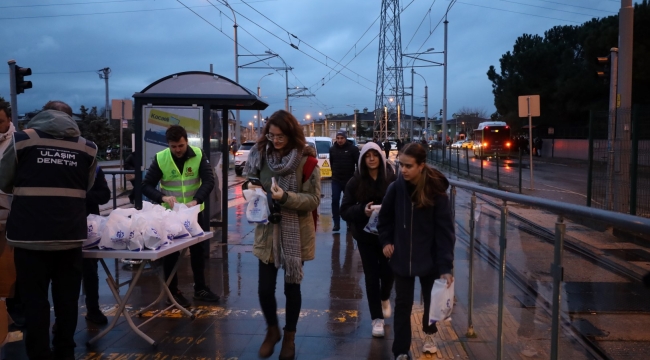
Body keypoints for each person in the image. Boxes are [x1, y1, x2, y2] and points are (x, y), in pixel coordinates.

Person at [0, 101, 98, 360]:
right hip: (70, 237)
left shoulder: (21, 141)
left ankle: (39, 353)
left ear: (42, 114)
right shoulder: (87, 148)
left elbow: (4, 181)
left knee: (35, 301)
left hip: (29, 238)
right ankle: (65, 350)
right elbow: (85, 188)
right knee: (67, 301)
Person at [243, 110, 321, 360]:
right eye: (271, 135)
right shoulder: (260, 155)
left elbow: (314, 199)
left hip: (295, 232)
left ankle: (290, 336)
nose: (274, 141)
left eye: (280, 137)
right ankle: (272, 330)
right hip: (267, 230)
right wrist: (252, 188)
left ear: (292, 135)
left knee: (292, 289)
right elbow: (249, 181)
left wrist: (285, 198)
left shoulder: (306, 161)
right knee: (264, 290)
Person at [377, 143, 455, 360]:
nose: (403, 170)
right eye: (401, 165)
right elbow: (384, 220)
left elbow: (445, 231)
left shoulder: (436, 191)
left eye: (409, 166)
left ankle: (429, 335)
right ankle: (401, 350)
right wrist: (386, 242)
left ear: (421, 165)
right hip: (401, 257)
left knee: (431, 301)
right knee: (403, 304)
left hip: (429, 258)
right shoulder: (396, 188)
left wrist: (446, 266)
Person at [141, 125, 218, 307]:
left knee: (198, 251)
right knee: (171, 253)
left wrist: (196, 200)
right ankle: (172, 292)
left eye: (181, 146)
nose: (177, 150)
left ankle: (200, 288)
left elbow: (209, 180)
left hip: (193, 213)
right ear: (168, 144)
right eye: (173, 146)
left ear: (186, 142)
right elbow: (146, 185)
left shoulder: (198, 155)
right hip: (170, 216)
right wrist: (163, 197)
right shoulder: (161, 158)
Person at [340, 142, 396, 338]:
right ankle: (377, 319)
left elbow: (401, 203)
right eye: (367, 155)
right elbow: (344, 209)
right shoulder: (355, 181)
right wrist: (362, 210)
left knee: (388, 273)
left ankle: (385, 296)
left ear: (381, 157)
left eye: (375, 155)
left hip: (388, 236)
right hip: (365, 236)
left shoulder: (391, 178)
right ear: (362, 159)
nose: (371, 158)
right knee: (372, 276)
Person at [82, 166, 112, 324]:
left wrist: (83, 196)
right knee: (64, 275)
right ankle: (62, 321)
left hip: (89, 226)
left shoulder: (94, 168)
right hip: (64, 226)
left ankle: (93, 309)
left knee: (90, 272)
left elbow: (105, 195)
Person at [328, 130, 359, 232]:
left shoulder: (353, 149)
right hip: (336, 179)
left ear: (345, 138)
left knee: (348, 202)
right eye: (338, 138)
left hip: (349, 180)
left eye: (341, 138)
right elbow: (331, 163)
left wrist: (356, 177)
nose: (339, 140)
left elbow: (358, 164)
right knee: (335, 200)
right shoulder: (332, 149)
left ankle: (349, 223)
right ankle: (336, 223)